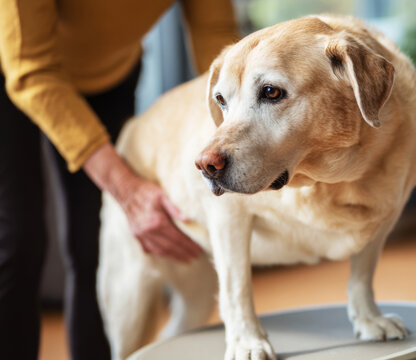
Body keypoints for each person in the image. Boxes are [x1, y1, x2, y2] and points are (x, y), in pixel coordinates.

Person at [0, 0, 238, 359]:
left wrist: (236, 136)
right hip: (14, 68)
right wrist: (127, 189)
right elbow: (31, 70)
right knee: (18, 239)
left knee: (95, 241)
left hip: (110, 73)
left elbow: (216, 40)